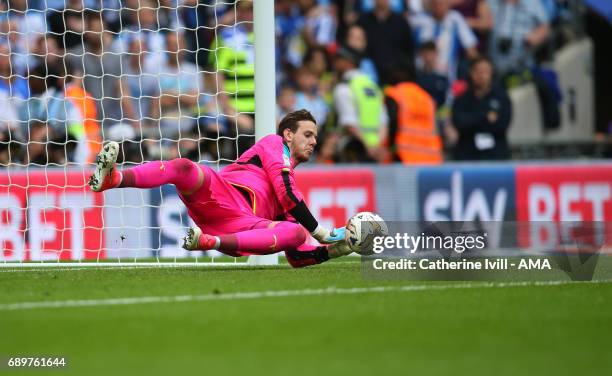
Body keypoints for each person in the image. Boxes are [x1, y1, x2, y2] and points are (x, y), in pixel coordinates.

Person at [88, 109, 352, 268]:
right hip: (222, 192)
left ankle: (208, 242)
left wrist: (332, 251)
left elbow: (296, 257)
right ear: (288, 135)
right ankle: (114, 179)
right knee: (184, 167)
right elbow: (284, 189)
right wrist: (321, 232)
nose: (314, 141)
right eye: (308, 134)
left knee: (294, 233)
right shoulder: (273, 144)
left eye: (316, 136)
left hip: (240, 227)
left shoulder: (295, 200)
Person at [451, 56, 512, 161]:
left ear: (491, 73)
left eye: (485, 71)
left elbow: (502, 125)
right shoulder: (462, 99)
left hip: (495, 156)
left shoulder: (501, 98)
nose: (481, 75)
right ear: (471, 73)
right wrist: (485, 117)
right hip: (467, 155)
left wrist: (472, 120)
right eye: (478, 71)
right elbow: (459, 123)